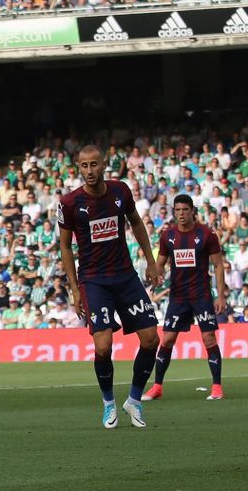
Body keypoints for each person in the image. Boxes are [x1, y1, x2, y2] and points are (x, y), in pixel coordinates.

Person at [56, 146, 163, 428]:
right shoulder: (70, 203)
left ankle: (134, 400)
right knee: (103, 347)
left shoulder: (120, 191)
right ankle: (108, 404)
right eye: (84, 166)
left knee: (152, 339)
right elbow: (65, 247)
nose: (89, 171)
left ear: (104, 165)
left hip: (125, 277)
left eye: (94, 165)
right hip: (93, 281)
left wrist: (151, 262)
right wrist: (75, 289)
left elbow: (137, 223)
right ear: (78, 168)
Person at [147, 194, 228, 401]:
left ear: (192, 211)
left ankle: (217, 387)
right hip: (178, 296)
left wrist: (221, 296)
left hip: (201, 295)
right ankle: (157, 387)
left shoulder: (206, 234)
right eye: (177, 210)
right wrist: (156, 273)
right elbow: (160, 262)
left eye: (185, 210)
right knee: (168, 339)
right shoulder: (168, 236)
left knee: (208, 338)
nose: (181, 214)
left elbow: (218, 265)